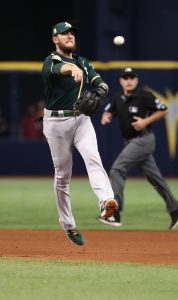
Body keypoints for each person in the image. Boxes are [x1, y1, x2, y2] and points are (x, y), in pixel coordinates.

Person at [42, 22, 118, 246]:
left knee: (93, 158)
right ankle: (68, 225)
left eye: (72, 33)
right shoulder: (51, 60)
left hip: (81, 120)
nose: (70, 36)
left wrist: (102, 88)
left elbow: (98, 81)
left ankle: (106, 201)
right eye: (64, 34)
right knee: (63, 176)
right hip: (56, 123)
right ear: (55, 39)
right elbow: (58, 69)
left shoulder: (83, 62)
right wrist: (69, 69)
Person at [97, 67, 178, 229]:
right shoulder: (118, 97)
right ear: (121, 81)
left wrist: (145, 122)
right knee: (155, 179)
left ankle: (114, 213)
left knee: (117, 169)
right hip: (131, 142)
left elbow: (164, 110)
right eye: (126, 77)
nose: (129, 80)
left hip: (143, 140)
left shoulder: (144, 96)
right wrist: (107, 115)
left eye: (132, 77)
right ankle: (176, 208)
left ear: (136, 80)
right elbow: (109, 110)